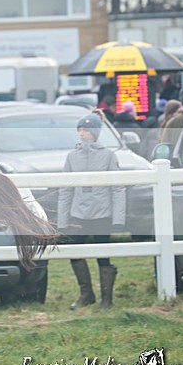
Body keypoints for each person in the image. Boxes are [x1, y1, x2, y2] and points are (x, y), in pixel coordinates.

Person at [57, 112, 125, 309]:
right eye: (79, 130)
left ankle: (107, 298)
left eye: (85, 130)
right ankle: (86, 293)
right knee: (75, 252)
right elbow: (65, 189)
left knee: (103, 255)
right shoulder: (72, 156)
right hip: (78, 214)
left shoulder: (108, 155)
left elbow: (118, 187)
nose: (81, 134)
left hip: (102, 214)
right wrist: (62, 221)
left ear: (95, 132)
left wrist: (118, 218)